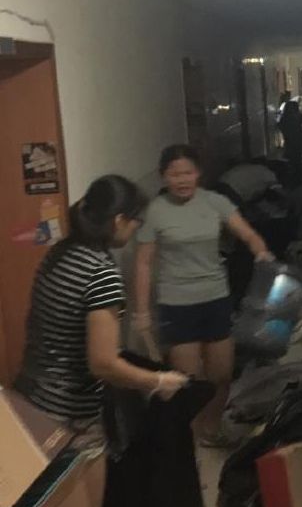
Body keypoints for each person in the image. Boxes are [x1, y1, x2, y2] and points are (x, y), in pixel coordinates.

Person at [16, 175, 187, 425]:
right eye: (136, 221)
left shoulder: (59, 251)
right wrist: (158, 381)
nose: (136, 228)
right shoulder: (101, 274)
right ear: (119, 221)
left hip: (28, 395)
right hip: (68, 411)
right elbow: (103, 364)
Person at [134, 144, 273, 445]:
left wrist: (260, 251)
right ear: (164, 177)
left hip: (216, 298)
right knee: (188, 378)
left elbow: (247, 233)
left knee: (221, 375)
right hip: (176, 303)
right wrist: (142, 313)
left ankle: (211, 427)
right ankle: (191, 433)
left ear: (198, 173)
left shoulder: (214, 202)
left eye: (188, 173)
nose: (182, 180)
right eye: (175, 174)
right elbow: (143, 263)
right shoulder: (156, 211)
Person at [278, 99, 302, 184]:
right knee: (297, 162)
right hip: (297, 143)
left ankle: (293, 180)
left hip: (289, 143)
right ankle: (298, 180)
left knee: (292, 162)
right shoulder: (296, 118)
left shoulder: (284, 119)